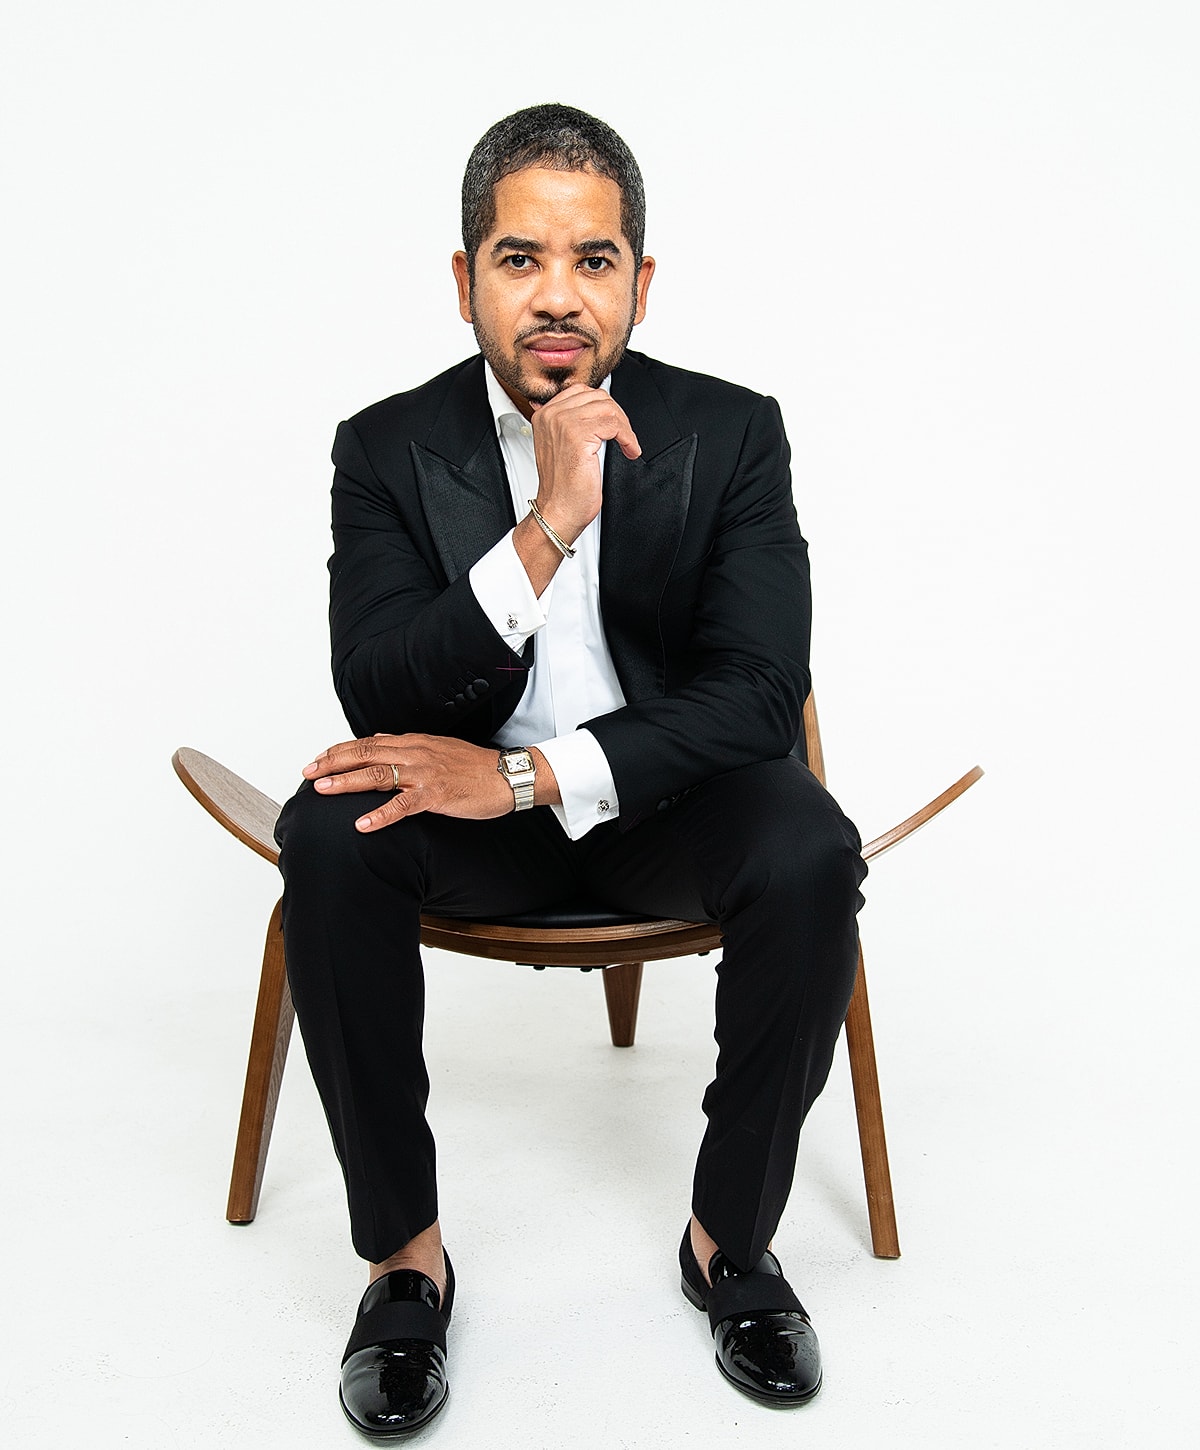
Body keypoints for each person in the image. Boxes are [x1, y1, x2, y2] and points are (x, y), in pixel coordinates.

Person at [275, 102, 866, 1438]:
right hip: (460, 815)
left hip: (662, 805)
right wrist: (547, 525)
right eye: (520, 257)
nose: (557, 296)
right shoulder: (384, 446)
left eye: (593, 260)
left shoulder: (732, 434)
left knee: (809, 842)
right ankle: (403, 1262)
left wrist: (536, 777)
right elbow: (377, 685)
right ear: (464, 277)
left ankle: (731, 1240)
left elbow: (758, 694)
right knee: (327, 829)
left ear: (641, 282)